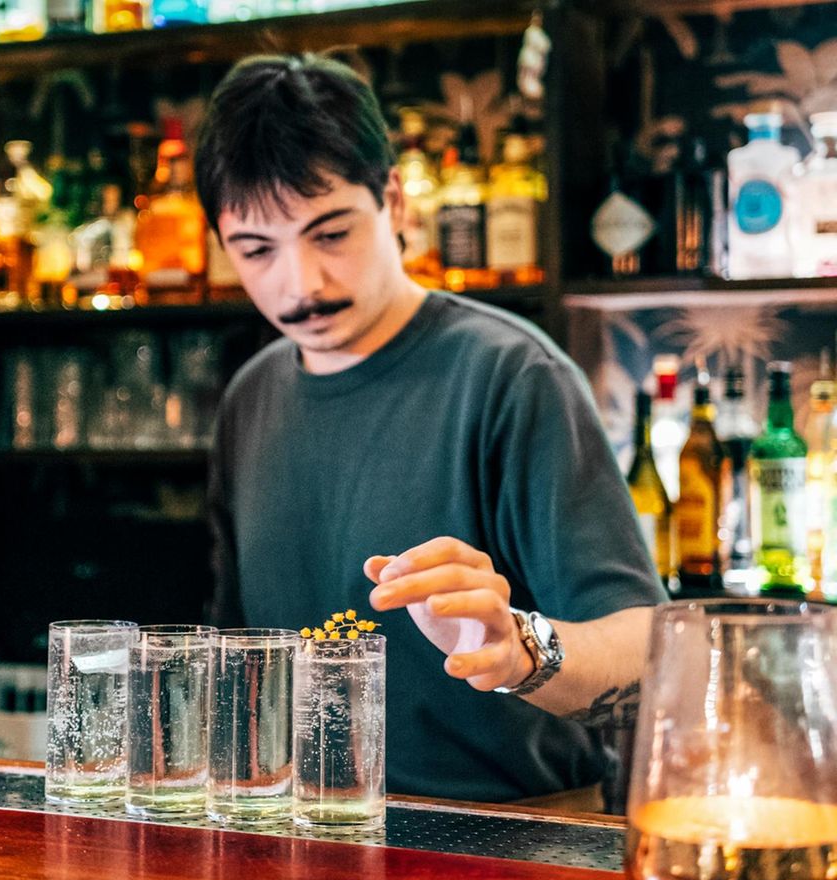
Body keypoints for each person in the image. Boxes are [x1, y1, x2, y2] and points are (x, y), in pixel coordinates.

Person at [195, 52, 667, 804]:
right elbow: (233, 660)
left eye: (330, 234)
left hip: (516, 847)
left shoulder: (513, 378)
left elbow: (651, 658)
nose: (301, 284)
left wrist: (519, 651)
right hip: (305, 838)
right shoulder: (251, 397)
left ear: (397, 203)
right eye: (257, 250)